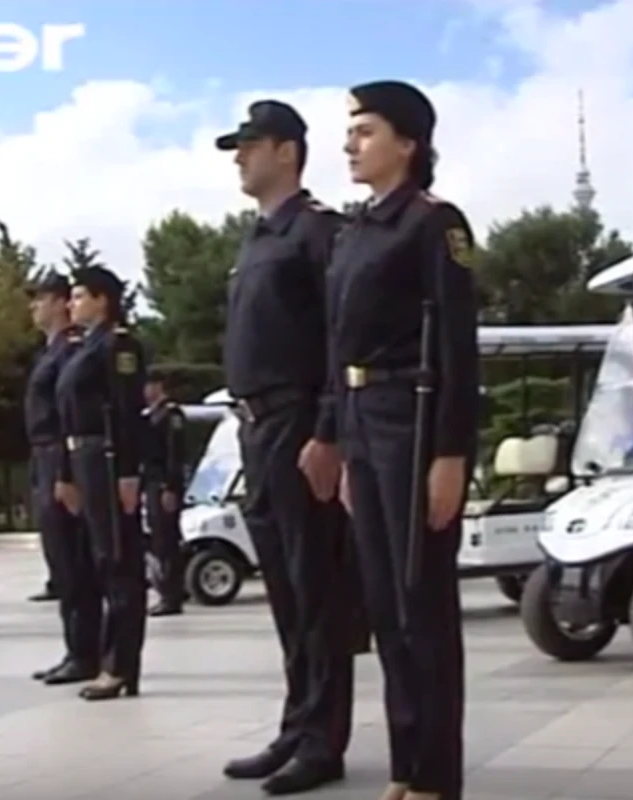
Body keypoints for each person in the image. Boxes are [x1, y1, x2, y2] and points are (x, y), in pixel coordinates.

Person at [324, 81, 479, 800]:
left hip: (412, 420)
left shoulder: (433, 223)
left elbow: (457, 347)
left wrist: (452, 454)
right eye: (351, 132)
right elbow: (337, 343)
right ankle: (404, 766)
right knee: (385, 608)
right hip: (363, 419)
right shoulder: (356, 230)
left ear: (408, 144)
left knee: (423, 606)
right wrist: (336, 437)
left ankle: (437, 776)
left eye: (366, 131)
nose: (351, 143)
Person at [215, 99, 356, 796]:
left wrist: (328, 430)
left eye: (249, 145)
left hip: (299, 422)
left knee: (316, 585)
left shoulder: (317, 232)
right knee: (284, 588)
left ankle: (324, 740)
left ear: (287, 152)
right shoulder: (257, 238)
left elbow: (340, 337)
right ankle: (298, 722)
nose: (238, 157)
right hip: (256, 427)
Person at [54, 264, 148, 701]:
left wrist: (129, 471)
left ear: (102, 300)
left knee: (120, 562)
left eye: (79, 295)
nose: (72, 304)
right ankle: (110, 659)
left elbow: (127, 412)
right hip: (85, 457)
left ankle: (120, 664)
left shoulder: (117, 345)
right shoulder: (83, 348)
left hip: (108, 458)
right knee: (101, 561)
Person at [24, 270, 101, 684]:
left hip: (60, 456)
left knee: (75, 563)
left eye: (39, 299)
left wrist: (67, 474)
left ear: (57, 303)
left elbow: (71, 414)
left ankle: (85, 651)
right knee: (61, 562)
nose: (34, 308)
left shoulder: (70, 350)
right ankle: (75, 648)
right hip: (44, 458)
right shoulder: (50, 351)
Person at [142, 369, 187, 617]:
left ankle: (172, 595)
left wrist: (171, 486)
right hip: (153, 483)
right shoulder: (154, 414)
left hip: (162, 484)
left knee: (166, 540)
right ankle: (169, 589)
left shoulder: (170, 415)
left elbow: (174, 455)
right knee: (159, 539)